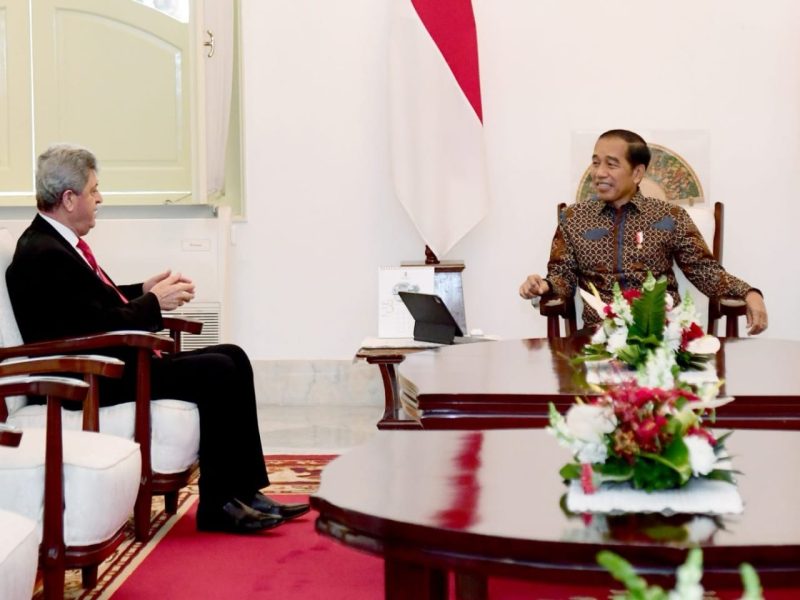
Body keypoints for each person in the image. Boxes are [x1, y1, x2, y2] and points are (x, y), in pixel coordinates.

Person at [6, 144, 310, 533]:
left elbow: (92, 306)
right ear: (69, 199)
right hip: (89, 378)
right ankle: (217, 505)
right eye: (94, 190)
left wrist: (142, 290)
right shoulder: (42, 253)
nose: (100, 198)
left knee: (233, 355)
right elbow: (91, 328)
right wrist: (154, 302)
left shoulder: (54, 243)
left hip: (108, 364)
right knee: (217, 370)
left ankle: (245, 491)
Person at [519, 129, 768, 335]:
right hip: (600, 336)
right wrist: (545, 286)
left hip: (663, 334)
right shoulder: (574, 218)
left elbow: (705, 271)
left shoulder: (670, 217)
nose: (599, 172)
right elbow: (562, 277)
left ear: (637, 173)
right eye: (595, 163)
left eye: (611, 164)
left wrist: (749, 293)